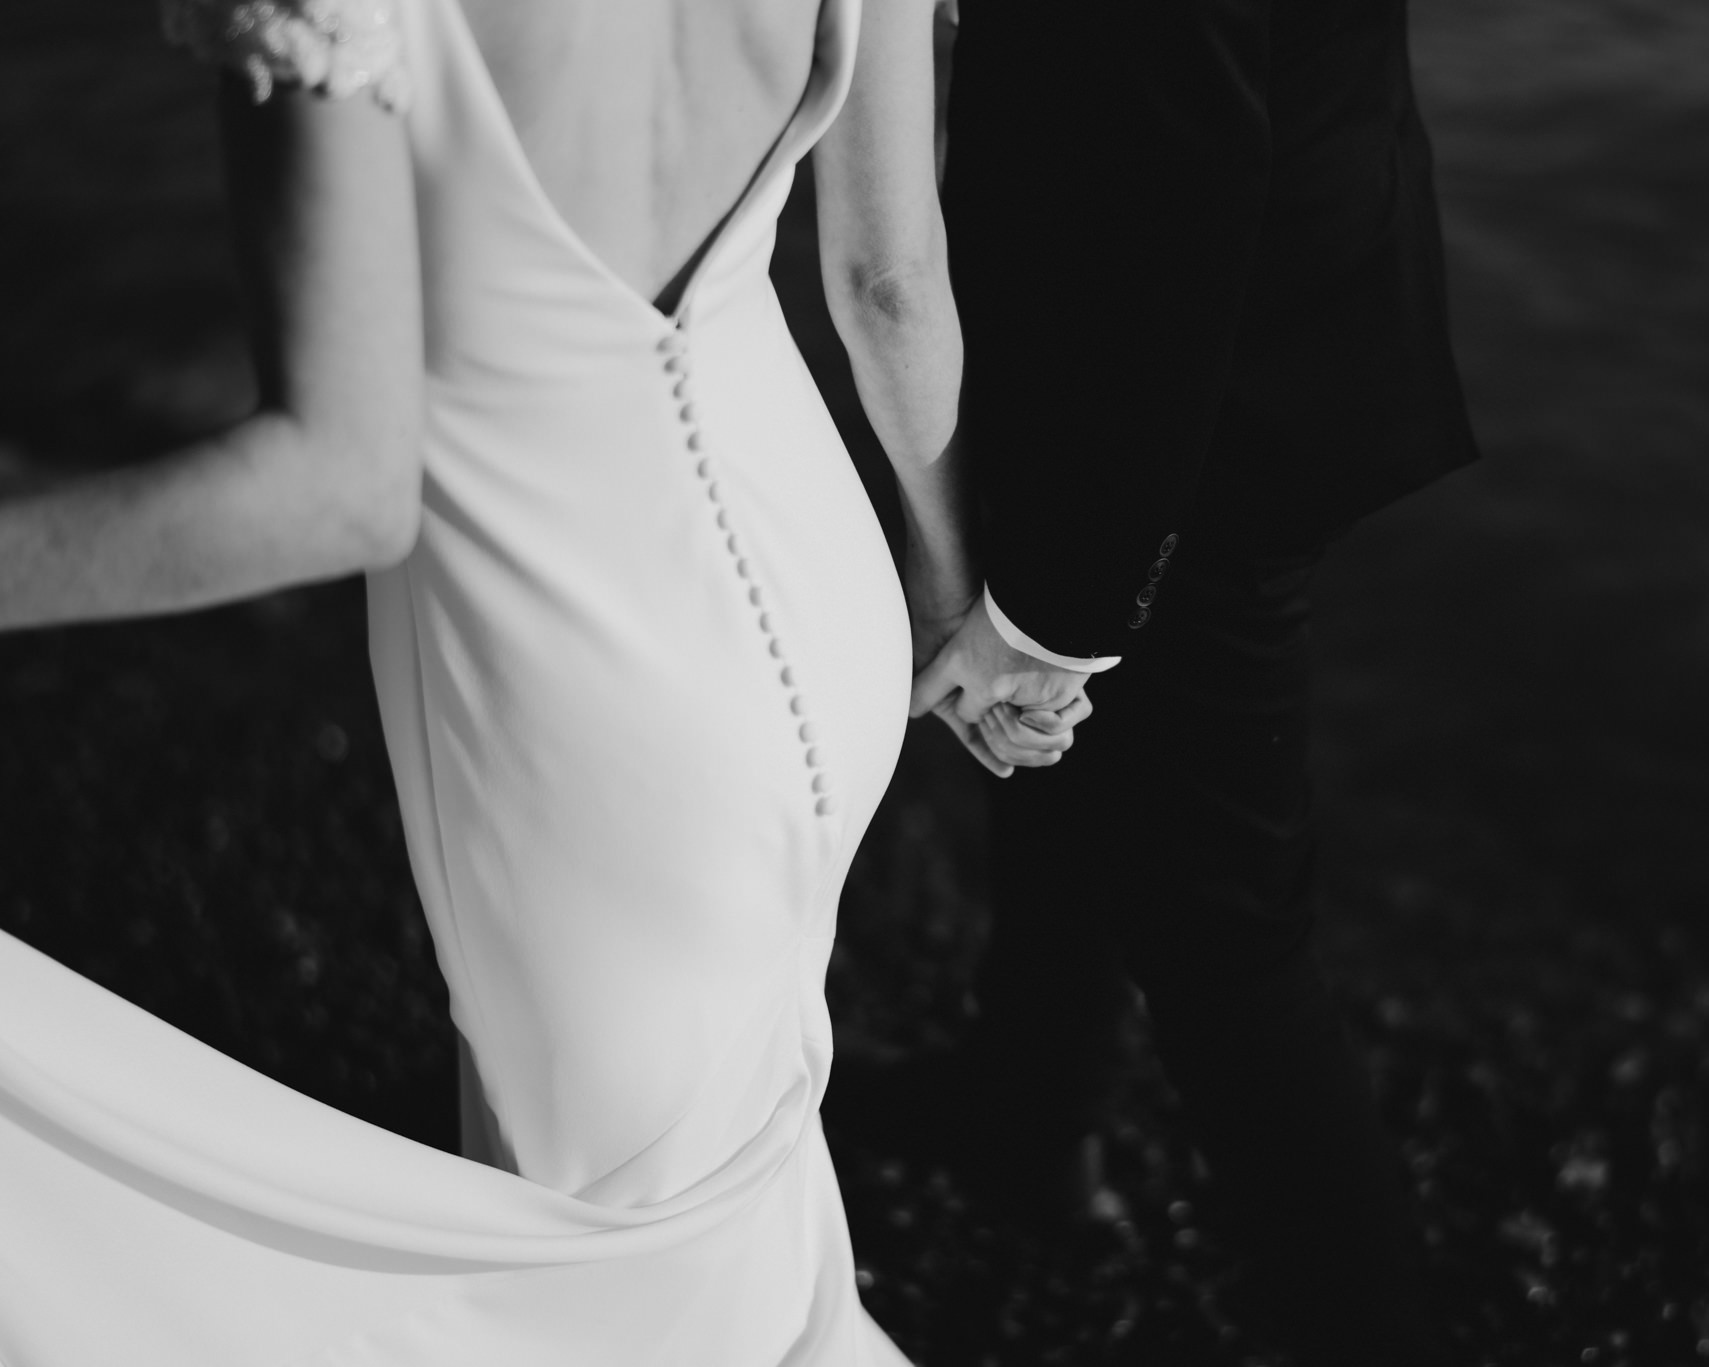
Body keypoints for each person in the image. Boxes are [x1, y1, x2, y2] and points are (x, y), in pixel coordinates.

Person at [0, 0, 1058, 1359]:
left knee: (622, 1305)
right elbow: (890, 282)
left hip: (594, 716)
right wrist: (956, 600)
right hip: (824, 596)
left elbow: (339, 490)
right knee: (729, 1233)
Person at [899, 0, 1482, 1361]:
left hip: (1213, 394)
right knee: (1065, 782)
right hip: (1219, 297)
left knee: (1227, 937)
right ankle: (1025, 1119)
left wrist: (1059, 609)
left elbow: (1182, 193)